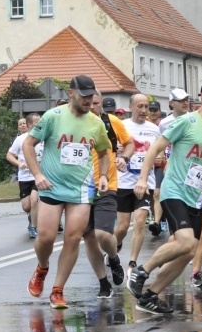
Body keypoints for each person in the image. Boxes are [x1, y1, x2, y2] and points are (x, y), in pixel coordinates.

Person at [126, 80, 202, 314]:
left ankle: (150, 297)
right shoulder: (186, 122)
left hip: (195, 196)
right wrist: (143, 179)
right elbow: (155, 149)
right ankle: (141, 271)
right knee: (185, 242)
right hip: (174, 191)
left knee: (188, 252)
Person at [23, 75, 111, 309]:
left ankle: (58, 290)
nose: (88, 100)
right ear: (71, 93)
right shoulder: (54, 117)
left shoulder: (96, 123)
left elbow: (103, 153)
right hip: (52, 186)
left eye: (91, 96)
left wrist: (102, 175)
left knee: (73, 237)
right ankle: (42, 267)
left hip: (81, 190)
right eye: (84, 96)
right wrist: (38, 175)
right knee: (46, 237)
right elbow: (27, 145)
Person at [84, 91, 134, 298]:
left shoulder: (111, 122)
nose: (93, 107)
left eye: (97, 103)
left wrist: (124, 157)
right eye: (89, 103)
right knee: (88, 238)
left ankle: (113, 257)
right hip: (80, 188)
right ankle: (103, 282)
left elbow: (130, 143)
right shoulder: (73, 124)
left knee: (103, 234)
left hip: (107, 185)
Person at [116, 94, 159, 276]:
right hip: (124, 182)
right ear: (130, 107)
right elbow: (110, 149)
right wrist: (117, 150)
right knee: (123, 227)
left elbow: (159, 154)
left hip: (146, 183)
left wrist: (158, 157)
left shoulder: (154, 129)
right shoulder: (122, 126)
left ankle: (132, 262)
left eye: (146, 107)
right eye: (139, 106)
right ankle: (115, 248)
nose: (143, 110)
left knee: (140, 221)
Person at [150, 89, 191, 236]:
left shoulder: (193, 119)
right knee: (163, 194)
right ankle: (170, 227)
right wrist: (161, 155)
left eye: (186, 99)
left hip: (189, 167)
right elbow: (162, 143)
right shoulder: (164, 123)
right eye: (181, 100)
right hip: (170, 166)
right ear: (171, 103)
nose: (185, 103)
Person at [6, 113, 43, 239]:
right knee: (26, 206)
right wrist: (19, 163)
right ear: (29, 124)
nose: (40, 123)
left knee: (34, 200)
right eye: (37, 122)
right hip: (24, 176)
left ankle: (34, 227)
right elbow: (9, 155)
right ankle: (32, 216)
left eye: (40, 121)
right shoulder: (21, 139)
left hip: (39, 175)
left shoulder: (44, 136)